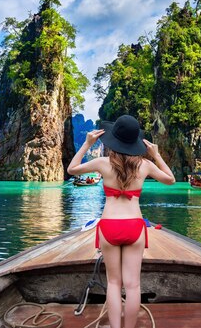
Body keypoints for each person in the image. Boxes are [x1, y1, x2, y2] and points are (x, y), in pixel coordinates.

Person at [67, 115, 175, 328]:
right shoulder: (145, 165)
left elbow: (72, 169)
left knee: (113, 283)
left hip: (109, 227)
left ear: (113, 141)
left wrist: (87, 143)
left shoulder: (102, 164)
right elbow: (170, 179)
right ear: (136, 142)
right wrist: (156, 155)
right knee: (133, 286)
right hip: (135, 226)